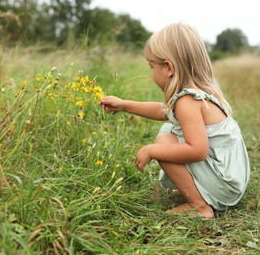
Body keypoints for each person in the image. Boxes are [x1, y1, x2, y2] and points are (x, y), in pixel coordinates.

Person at [99, 23, 250, 219]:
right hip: (230, 179)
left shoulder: (188, 101)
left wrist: (152, 150)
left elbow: (198, 151)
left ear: (168, 67)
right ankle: (199, 188)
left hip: (225, 185)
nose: (152, 72)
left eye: (152, 67)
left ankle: (199, 206)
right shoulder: (198, 94)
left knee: (164, 143)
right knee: (168, 129)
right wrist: (124, 105)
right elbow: (163, 111)